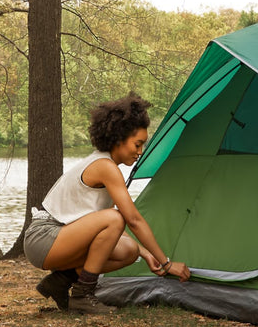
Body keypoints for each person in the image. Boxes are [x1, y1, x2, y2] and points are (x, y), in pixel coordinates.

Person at [25, 93, 190, 315]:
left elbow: (105, 231)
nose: (140, 152)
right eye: (137, 144)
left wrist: (144, 253)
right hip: (44, 237)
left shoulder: (104, 164)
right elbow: (132, 219)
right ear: (118, 138)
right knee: (115, 218)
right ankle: (83, 295)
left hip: (60, 237)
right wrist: (167, 263)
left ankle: (60, 282)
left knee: (129, 251)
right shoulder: (105, 166)